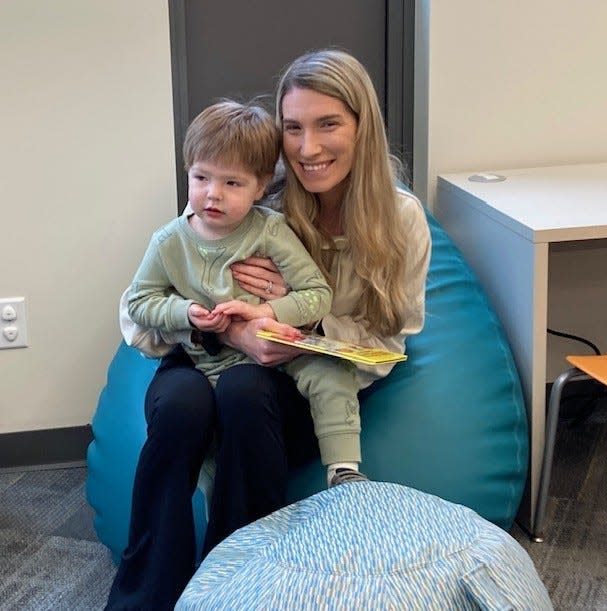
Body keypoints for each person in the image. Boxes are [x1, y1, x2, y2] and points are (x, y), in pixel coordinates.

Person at [107, 49, 431, 610]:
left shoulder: (399, 219)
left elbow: (388, 342)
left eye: (328, 124)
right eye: (293, 127)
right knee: (186, 403)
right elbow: (136, 313)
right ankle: (145, 595)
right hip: (207, 351)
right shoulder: (254, 195)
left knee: (244, 391)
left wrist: (292, 318)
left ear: (364, 127)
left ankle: (236, 584)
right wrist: (224, 330)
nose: (308, 148)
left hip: (309, 378)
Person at [127, 98, 369, 493]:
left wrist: (267, 314)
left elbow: (316, 294)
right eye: (201, 178)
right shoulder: (170, 240)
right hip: (208, 360)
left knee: (331, 370)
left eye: (232, 183)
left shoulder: (270, 229)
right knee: (189, 408)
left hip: (277, 358)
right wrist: (186, 312)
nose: (212, 195)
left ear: (260, 187)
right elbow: (138, 302)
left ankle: (343, 471)